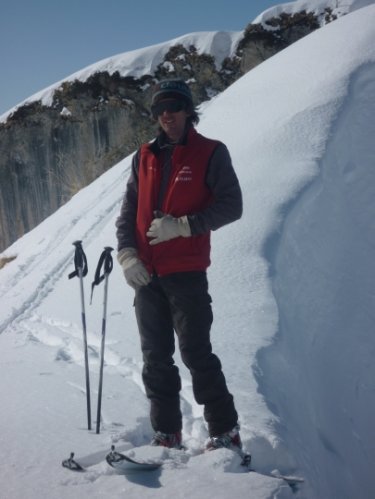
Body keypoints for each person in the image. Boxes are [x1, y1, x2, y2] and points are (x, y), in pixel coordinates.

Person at [115, 78, 243, 450]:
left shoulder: (211, 152)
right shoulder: (144, 155)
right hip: (146, 274)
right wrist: (126, 255)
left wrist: (183, 226)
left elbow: (231, 206)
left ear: (189, 110)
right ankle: (166, 434)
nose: (166, 115)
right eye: (159, 109)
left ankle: (225, 431)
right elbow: (127, 213)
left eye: (173, 106)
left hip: (186, 273)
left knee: (196, 354)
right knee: (155, 358)